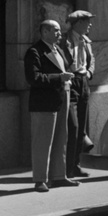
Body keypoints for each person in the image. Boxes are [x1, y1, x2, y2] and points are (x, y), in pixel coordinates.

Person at [24, 20, 78, 192]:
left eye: (59, 30)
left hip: (62, 97)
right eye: (55, 30)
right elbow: (34, 78)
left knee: (61, 138)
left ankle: (59, 176)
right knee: (42, 142)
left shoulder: (59, 49)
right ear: (45, 32)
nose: (59, 33)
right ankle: (40, 179)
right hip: (44, 102)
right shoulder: (35, 51)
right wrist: (59, 77)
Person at [64, 10, 95, 178]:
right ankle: (67, 167)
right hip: (72, 80)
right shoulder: (65, 40)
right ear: (78, 23)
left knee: (82, 126)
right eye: (87, 21)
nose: (90, 25)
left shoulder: (86, 40)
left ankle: (75, 165)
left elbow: (92, 59)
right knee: (73, 127)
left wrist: (89, 73)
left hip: (84, 81)